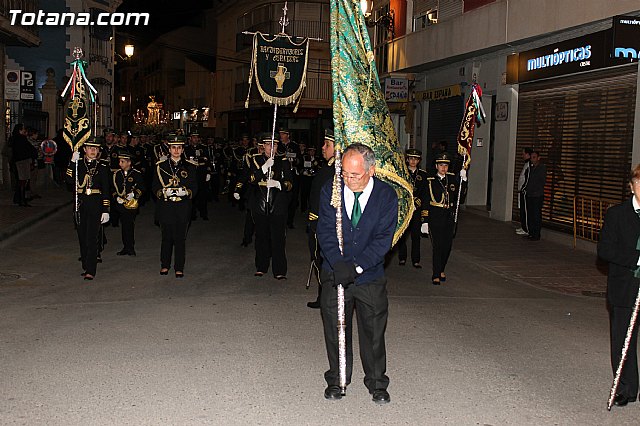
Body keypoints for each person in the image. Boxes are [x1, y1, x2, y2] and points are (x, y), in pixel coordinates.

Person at [316, 143, 398, 404]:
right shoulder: (332, 190)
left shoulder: (386, 196)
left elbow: (384, 240)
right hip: (335, 273)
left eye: (355, 175)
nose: (348, 180)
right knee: (336, 329)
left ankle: (377, 383)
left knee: (373, 330)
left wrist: (357, 267)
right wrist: (338, 262)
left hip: (369, 277)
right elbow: (325, 229)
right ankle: (337, 380)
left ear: (371, 170)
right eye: (345, 174)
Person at [598, 164, 640, 408]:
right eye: (639, 184)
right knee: (624, 338)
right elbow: (605, 250)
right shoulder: (616, 214)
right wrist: (636, 258)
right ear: (631, 186)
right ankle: (626, 387)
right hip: (624, 286)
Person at [234, 134, 293, 279]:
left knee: (278, 238)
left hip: (277, 204)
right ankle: (261, 266)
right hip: (260, 203)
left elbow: (290, 183)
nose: (271, 148)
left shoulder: (283, 161)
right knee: (261, 237)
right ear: (263, 146)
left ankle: (279, 270)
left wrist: (279, 184)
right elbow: (252, 179)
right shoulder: (256, 160)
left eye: (274, 145)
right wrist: (264, 168)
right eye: (268, 145)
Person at [152, 135, 198, 278]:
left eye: (179, 147)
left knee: (180, 239)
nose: (176, 150)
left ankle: (179, 267)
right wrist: (162, 192)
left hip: (182, 207)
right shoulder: (161, 166)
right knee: (166, 238)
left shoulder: (190, 166)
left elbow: (194, 186)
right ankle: (165, 265)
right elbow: (154, 186)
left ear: (182, 149)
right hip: (166, 206)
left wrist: (186, 192)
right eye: (173, 147)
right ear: (169, 149)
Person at [66, 137, 111, 280]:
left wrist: (105, 209)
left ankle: (91, 269)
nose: (93, 151)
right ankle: (86, 265)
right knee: (82, 237)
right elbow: (68, 181)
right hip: (81, 204)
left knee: (92, 238)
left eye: (96, 148)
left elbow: (106, 189)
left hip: (96, 205)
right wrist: (72, 163)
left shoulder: (102, 167)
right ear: (84, 149)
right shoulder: (78, 164)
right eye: (90, 148)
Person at [423, 152, 467, 285]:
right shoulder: (430, 181)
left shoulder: (452, 179)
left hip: (449, 216)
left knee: (447, 245)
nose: (444, 168)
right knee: (437, 246)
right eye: (441, 165)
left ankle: (442, 268)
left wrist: (464, 181)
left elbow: (461, 197)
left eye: (446, 165)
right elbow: (426, 200)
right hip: (435, 215)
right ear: (436, 166)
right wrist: (424, 220)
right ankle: (436, 273)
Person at [306, 129, 336, 309]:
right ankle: (324, 296)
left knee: (320, 259)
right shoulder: (328, 168)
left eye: (327, 145)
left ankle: (325, 298)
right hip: (321, 221)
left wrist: (314, 222)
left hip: (323, 224)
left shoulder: (332, 171)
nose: (323, 148)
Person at [397, 148, 428, 268]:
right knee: (403, 235)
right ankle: (402, 257)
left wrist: (420, 203)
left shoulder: (423, 175)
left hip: (417, 209)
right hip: (405, 207)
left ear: (419, 161)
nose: (413, 161)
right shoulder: (402, 173)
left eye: (416, 159)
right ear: (407, 159)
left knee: (416, 235)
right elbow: (399, 190)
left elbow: (425, 193)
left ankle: (416, 260)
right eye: (411, 159)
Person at [112, 151, 144, 256]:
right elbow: (112, 188)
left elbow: (141, 187)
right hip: (121, 204)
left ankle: (130, 247)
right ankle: (126, 246)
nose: (120, 164)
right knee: (124, 225)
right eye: (120, 161)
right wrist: (116, 197)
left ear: (129, 163)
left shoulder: (136, 174)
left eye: (122, 161)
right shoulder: (117, 174)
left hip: (131, 205)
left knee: (129, 225)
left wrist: (134, 194)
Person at [277, 128, 302, 228]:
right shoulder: (277, 145)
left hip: (293, 174)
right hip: (281, 175)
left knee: (293, 198)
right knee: (282, 198)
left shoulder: (294, 146)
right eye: (280, 134)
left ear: (288, 135)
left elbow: (300, 160)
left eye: (283, 134)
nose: (281, 136)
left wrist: (294, 161)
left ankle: (290, 221)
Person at [10, 123, 37, 207]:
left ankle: (18, 198)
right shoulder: (21, 139)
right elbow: (29, 149)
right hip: (22, 162)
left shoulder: (16, 139)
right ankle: (21, 200)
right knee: (22, 181)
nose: (25, 130)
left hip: (20, 162)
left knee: (21, 181)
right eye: (23, 129)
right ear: (20, 130)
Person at [524, 150, 546, 241]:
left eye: (534, 157)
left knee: (536, 215)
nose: (532, 159)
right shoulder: (530, 169)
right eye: (531, 157)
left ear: (538, 158)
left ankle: (536, 234)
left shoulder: (541, 168)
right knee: (530, 214)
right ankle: (531, 232)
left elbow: (540, 181)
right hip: (530, 194)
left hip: (537, 195)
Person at [515, 147, 533, 236]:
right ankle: (523, 227)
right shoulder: (526, 164)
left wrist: (523, 189)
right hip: (522, 191)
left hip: (524, 191)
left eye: (523, 154)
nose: (522, 156)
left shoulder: (529, 165)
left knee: (525, 211)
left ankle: (526, 229)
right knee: (522, 210)